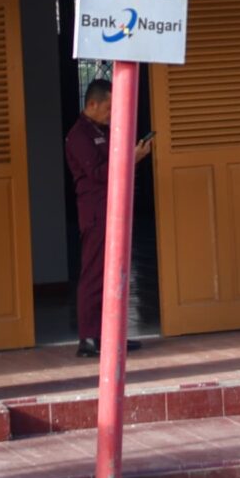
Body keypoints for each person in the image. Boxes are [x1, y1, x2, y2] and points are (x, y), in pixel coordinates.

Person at [64, 76, 153, 358]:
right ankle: (88, 338)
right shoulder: (78, 135)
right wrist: (133, 158)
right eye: (109, 107)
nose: (112, 113)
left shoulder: (102, 130)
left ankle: (111, 335)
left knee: (116, 272)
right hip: (96, 213)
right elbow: (101, 173)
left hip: (114, 209)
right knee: (94, 273)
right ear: (92, 103)